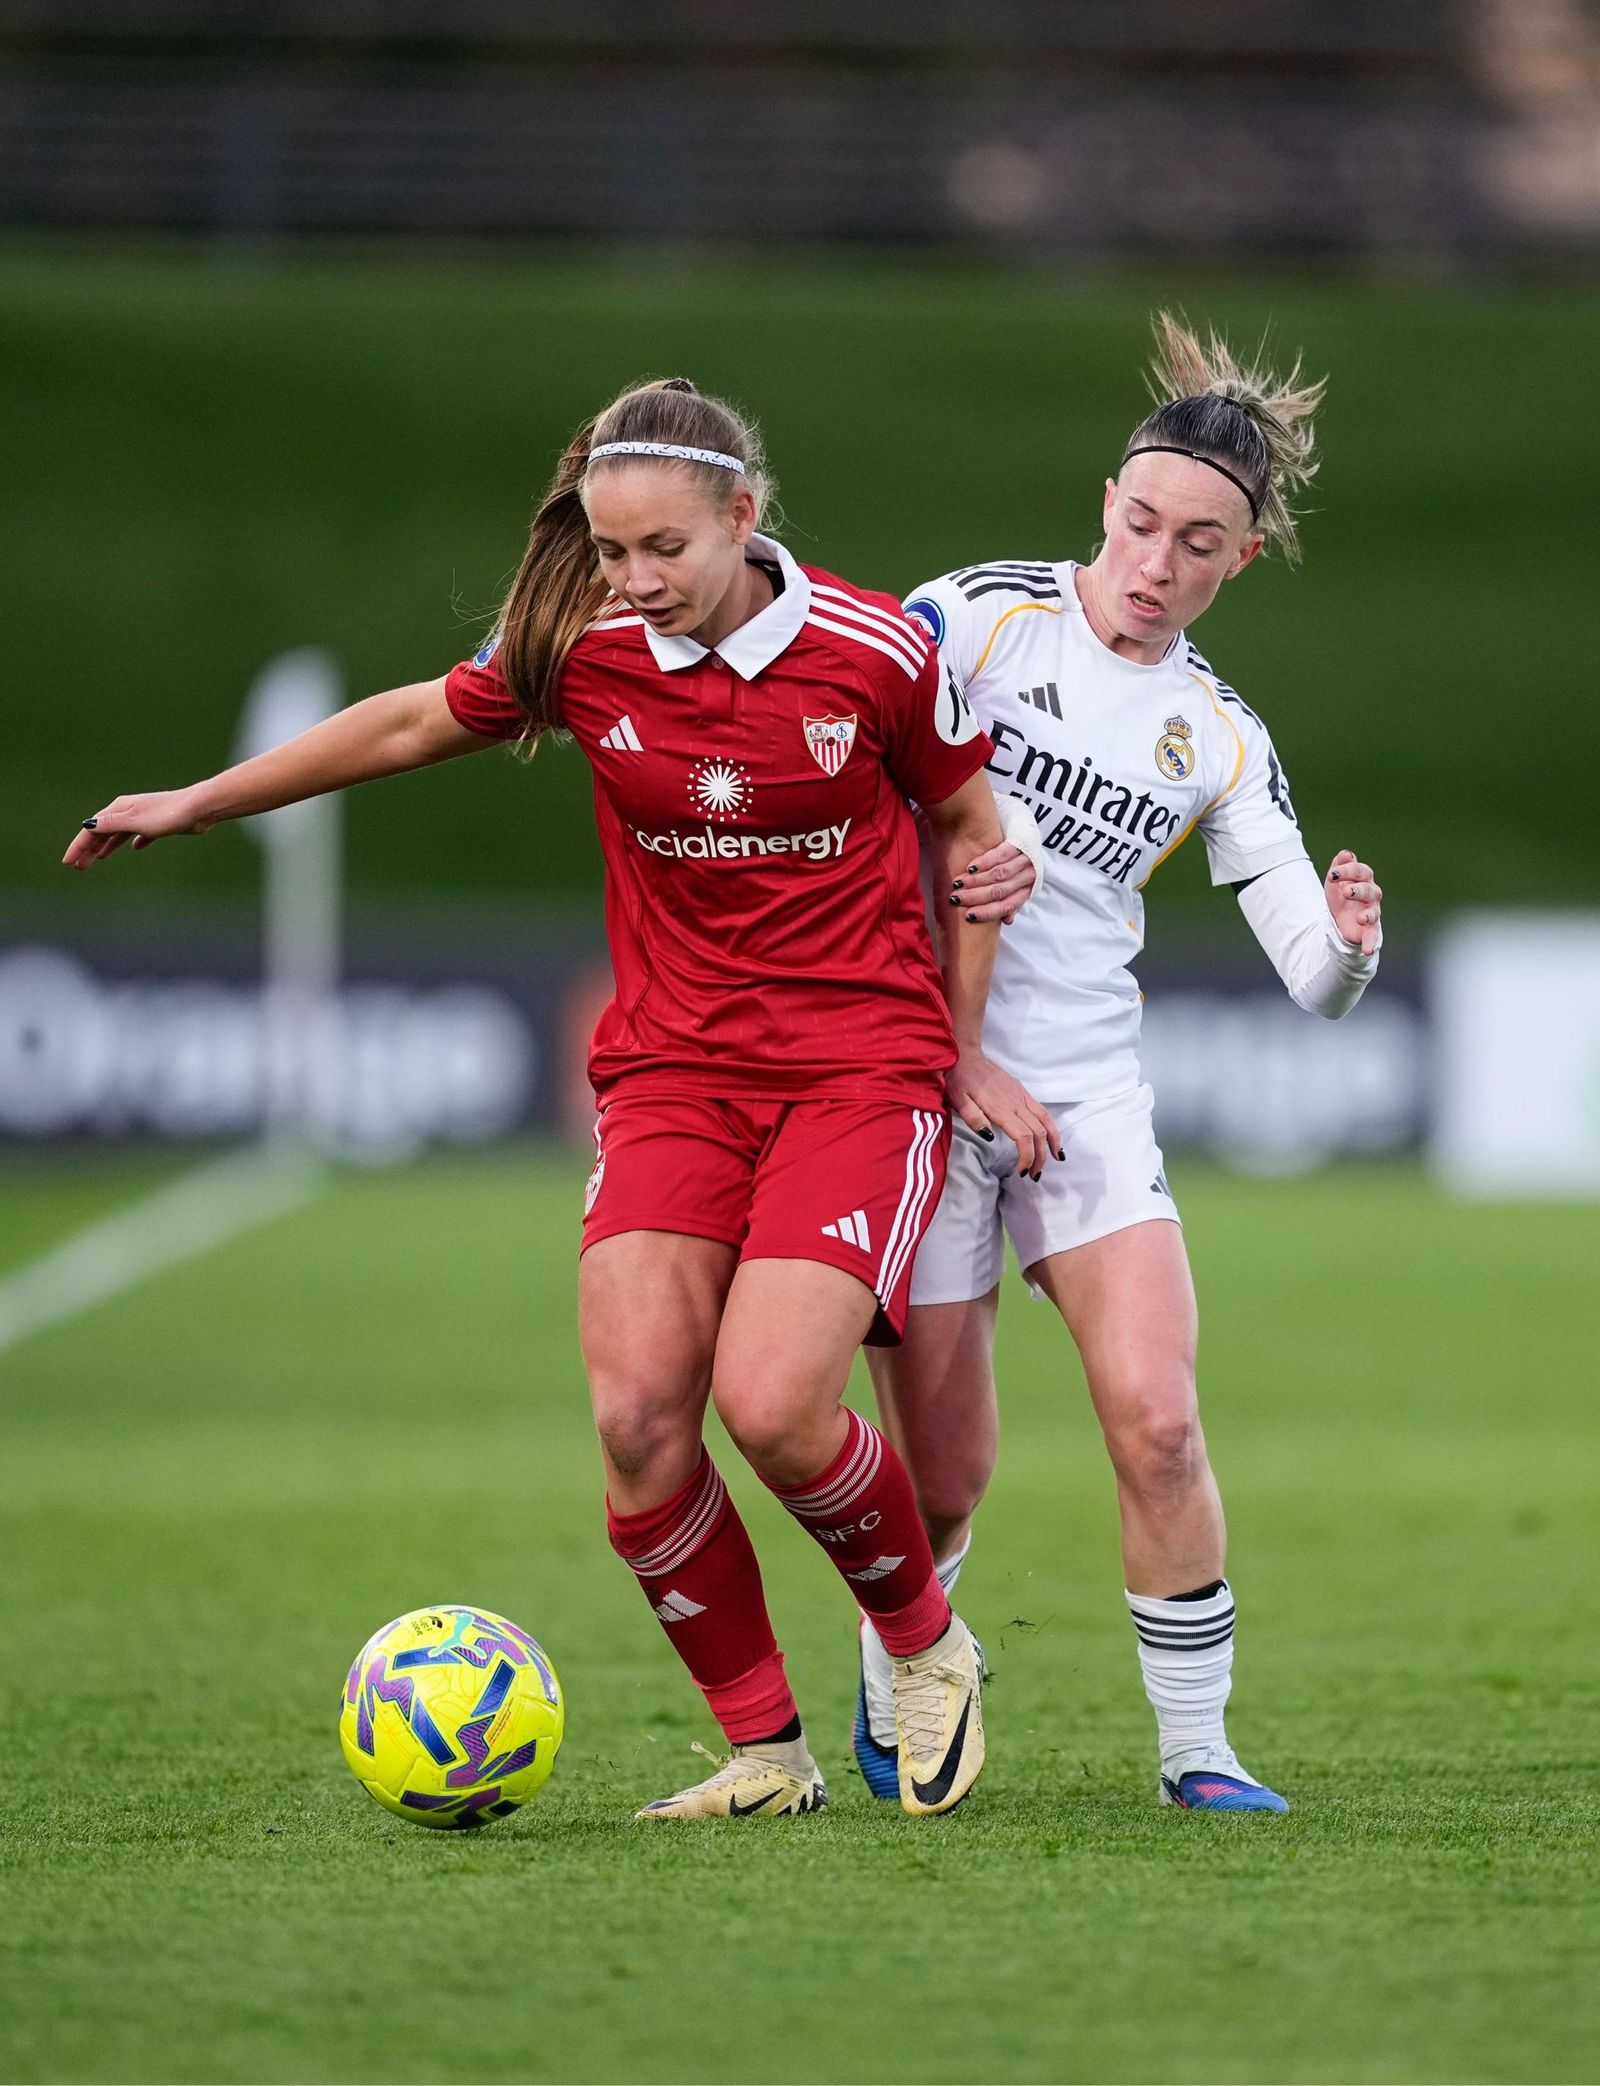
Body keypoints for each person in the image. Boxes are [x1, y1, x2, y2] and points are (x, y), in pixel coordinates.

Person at [66, 376, 1059, 1821]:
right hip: (670, 1075)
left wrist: (958, 1045)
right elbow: (412, 725)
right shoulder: (587, 648)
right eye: (612, 552)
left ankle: (925, 1644)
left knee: (776, 1407)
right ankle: (766, 1753)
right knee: (642, 1420)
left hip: (858, 1075)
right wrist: (198, 801)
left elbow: (974, 830)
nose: (637, 581)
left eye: (666, 549)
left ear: (743, 515)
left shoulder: (876, 652)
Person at [851, 316, 1384, 1813]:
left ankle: (1199, 1753)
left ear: (1240, 564)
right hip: (918, 1074)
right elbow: (841, 782)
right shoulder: (970, 620)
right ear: (1106, 500)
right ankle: (906, 1653)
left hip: (1083, 1089)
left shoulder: (1216, 733)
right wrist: (944, 1053)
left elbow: (1313, 976)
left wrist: (1346, 944)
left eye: (1197, 542)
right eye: (1141, 522)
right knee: (945, 1473)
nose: (1157, 561)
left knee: (1158, 1418)